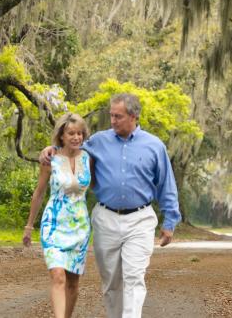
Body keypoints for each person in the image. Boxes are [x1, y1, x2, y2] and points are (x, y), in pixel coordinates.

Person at [41, 93, 180, 318]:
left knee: (134, 278)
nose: (113, 121)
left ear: (134, 116)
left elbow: (166, 184)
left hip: (140, 219)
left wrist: (170, 221)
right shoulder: (98, 141)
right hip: (106, 218)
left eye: (118, 116)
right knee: (111, 282)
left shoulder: (154, 146)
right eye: (111, 115)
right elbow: (70, 146)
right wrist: (50, 149)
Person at [25, 112, 93, 318]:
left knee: (73, 282)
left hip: (80, 227)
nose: (76, 137)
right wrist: (29, 226)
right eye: (71, 133)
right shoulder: (50, 159)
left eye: (80, 133)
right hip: (54, 224)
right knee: (58, 276)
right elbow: (39, 192)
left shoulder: (88, 157)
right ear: (61, 136)